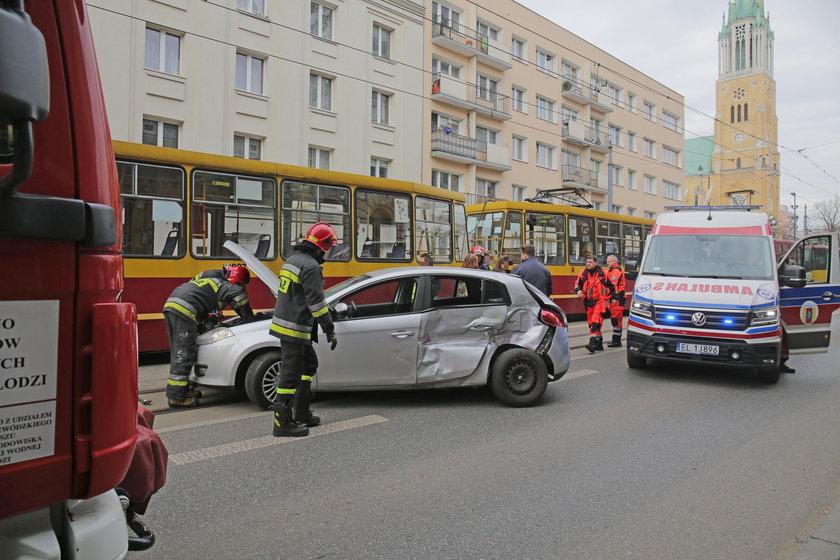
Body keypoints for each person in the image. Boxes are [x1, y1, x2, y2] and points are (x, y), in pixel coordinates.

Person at [270, 222, 339, 437]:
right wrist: (329, 329)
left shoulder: (293, 261)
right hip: (295, 327)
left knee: (309, 365)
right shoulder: (311, 267)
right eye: (329, 246)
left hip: (288, 323)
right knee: (290, 376)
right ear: (323, 246)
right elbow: (316, 304)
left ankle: (301, 412)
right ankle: (282, 424)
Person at [163, 264, 253, 407]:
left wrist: (207, 318)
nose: (242, 287)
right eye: (242, 284)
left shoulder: (209, 278)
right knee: (184, 353)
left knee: (178, 351)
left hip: (172, 304)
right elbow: (241, 301)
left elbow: (200, 297)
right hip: (186, 309)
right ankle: (177, 397)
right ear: (238, 280)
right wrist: (249, 319)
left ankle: (184, 389)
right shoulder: (229, 287)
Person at [575, 256, 617, 353]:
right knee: (591, 324)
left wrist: (615, 297)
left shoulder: (604, 273)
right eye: (587, 262)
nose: (588, 264)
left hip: (600, 301)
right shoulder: (583, 273)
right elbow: (578, 285)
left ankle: (592, 343)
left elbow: (612, 286)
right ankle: (599, 344)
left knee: (595, 322)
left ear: (596, 263)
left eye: (590, 262)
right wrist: (578, 291)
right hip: (588, 302)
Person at [605, 254, 626, 347]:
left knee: (616, 320)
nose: (607, 263)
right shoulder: (612, 270)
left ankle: (616, 341)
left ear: (614, 261)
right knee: (616, 319)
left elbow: (613, 284)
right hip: (616, 297)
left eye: (609, 261)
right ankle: (616, 340)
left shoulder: (616, 270)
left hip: (617, 297)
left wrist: (612, 295)